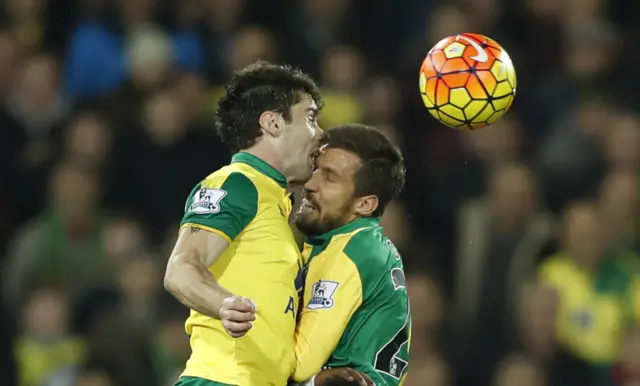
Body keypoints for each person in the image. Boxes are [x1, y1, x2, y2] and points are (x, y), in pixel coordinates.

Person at [163, 61, 324, 386]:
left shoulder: (273, 200)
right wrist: (222, 304)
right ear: (273, 123)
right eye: (310, 118)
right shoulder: (236, 184)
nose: (320, 134)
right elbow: (180, 268)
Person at [290, 124, 411, 385]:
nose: (310, 184)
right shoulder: (360, 245)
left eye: (329, 177)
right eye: (315, 169)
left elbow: (300, 364)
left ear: (364, 204)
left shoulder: (351, 253)